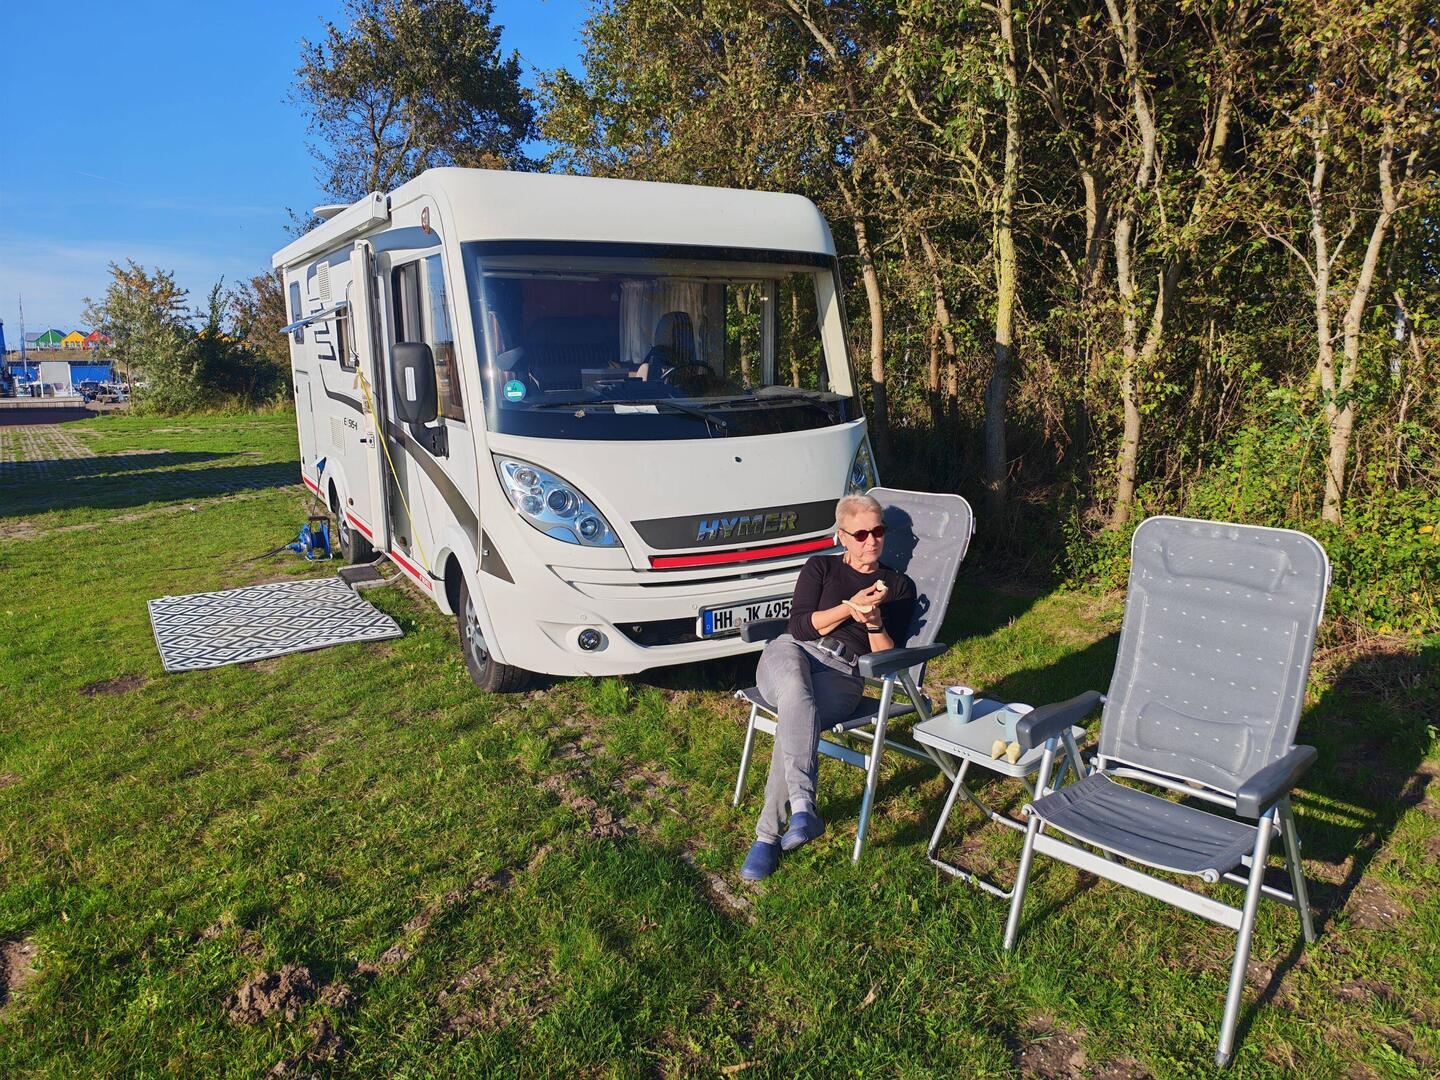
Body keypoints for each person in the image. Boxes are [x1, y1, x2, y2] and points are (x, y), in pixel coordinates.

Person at [740, 493, 917, 880]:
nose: (872, 541)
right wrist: (849, 607)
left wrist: (872, 622)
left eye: (879, 531)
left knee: (796, 711)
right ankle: (800, 807)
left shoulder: (899, 586)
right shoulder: (820, 567)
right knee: (796, 692)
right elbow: (800, 627)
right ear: (842, 536)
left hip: (844, 672)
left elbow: (888, 662)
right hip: (791, 653)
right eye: (861, 533)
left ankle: (770, 835)